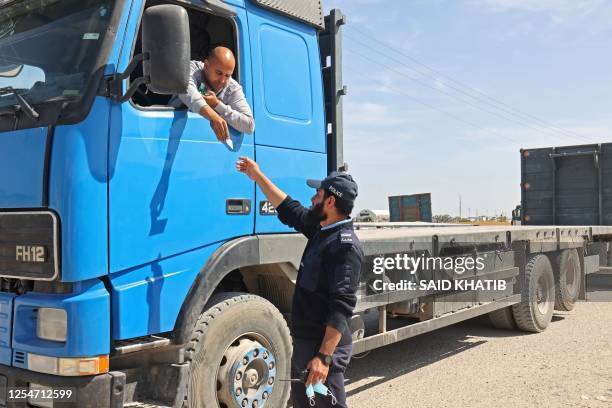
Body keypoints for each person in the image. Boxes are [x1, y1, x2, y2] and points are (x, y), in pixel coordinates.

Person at [236, 156, 364, 408]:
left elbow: (341, 308)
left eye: (317, 194)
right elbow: (288, 209)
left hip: (321, 347)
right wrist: (257, 175)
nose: (312, 198)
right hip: (307, 342)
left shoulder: (344, 246)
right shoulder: (322, 228)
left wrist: (324, 358)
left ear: (330, 201)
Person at [170, 46, 255, 141]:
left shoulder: (232, 88)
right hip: (171, 132)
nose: (222, 81)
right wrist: (212, 116)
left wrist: (217, 105)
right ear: (206, 65)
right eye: (219, 73)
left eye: (227, 75)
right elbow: (185, 89)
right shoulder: (191, 69)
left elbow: (249, 126)